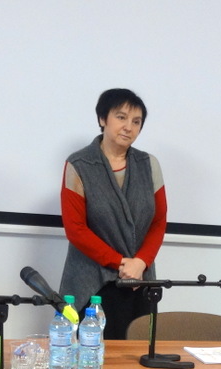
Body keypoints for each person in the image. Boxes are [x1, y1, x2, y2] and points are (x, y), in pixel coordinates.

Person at [58, 88, 167, 339]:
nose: (129, 127)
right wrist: (120, 263)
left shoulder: (149, 164)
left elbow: (158, 221)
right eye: (121, 117)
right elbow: (75, 229)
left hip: (140, 279)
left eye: (136, 122)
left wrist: (140, 262)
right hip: (93, 283)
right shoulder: (78, 164)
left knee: (140, 354)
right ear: (102, 119)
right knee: (92, 355)